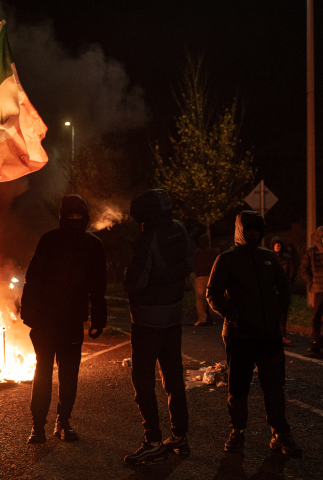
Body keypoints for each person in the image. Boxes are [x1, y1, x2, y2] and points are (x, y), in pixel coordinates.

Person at [207, 211, 302, 457]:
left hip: (269, 335)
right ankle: (237, 432)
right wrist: (232, 314)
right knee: (238, 388)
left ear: (261, 232)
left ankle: (280, 434)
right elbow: (213, 293)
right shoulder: (226, 259)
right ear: (240, 231)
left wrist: (279, 308)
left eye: (256, 229)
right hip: (240, 336)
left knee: (274, 387)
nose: (252, 233)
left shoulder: (268, 257)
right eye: (248, 229)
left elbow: (283, 286)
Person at [20, 195, 107, 445]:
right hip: (47, 320)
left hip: (68, 321)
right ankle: (40, 425)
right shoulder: (51, 241)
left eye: (78, 216)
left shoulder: (91, 245)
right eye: (72, 215)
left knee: (66, 373)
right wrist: (29, 312)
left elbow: (97, 286)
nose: (75, 220)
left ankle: (61, 421)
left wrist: (98, 317)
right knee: (46, 371)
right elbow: (33, 278)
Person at [123, 189, 193, 465]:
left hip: (147, 321)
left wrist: (128, 279)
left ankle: (153, 441)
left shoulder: (147, 238)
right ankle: (179, 437)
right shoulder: (180, 229)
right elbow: (188, 264)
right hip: (173, 317)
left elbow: (137, 281)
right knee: (174, 379)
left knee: (143, 381)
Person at [271, 237, 296, 344]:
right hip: (272, 290)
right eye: (275, 244)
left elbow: (293, 271)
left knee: (283, 313)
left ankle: (282, 336)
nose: (278, 245)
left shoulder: (287, 258)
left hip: (284, 289)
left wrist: (287, 282)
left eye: (279, 244)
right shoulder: (269, 257)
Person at [193, 234, 219, 326]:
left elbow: (192, 264)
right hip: (210, 277)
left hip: (199, 277)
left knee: (200, 299)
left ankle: (202, 319)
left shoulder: (196, 253)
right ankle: (211, 319)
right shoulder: (213, 252)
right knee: (211, 298)